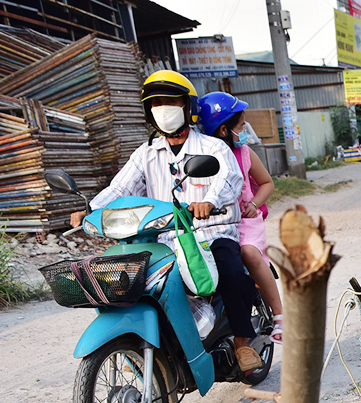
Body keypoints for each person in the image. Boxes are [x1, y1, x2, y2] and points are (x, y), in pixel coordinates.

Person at [71, 70, 263, 372]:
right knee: (135, 282)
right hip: (166, 238)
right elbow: (122, 187)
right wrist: (91, 208)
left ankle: (242, 342)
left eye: (171, 101)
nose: (164, 108)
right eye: (157, 103)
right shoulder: (146, 154)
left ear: (188, 107)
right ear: (149, 112)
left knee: (230, 271)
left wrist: (208, 201)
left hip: (210, 232)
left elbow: (229, 178)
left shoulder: (212, 148)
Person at [196, 91, 283, 343]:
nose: (244, 130)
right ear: (224, 130)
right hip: (213, 224)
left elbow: (267, 182)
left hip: (245, 221)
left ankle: (279, 316)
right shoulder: (200, 156)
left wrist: (255, 203)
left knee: (248, 253)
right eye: (241, 126)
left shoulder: (245, 153)